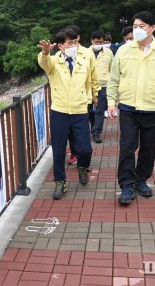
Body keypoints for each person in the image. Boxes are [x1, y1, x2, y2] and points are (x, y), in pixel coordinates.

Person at [107, 11, 155, 205]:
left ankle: (141, 180)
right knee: (127, 147)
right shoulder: (124, 50)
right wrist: (111, 101)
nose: (137, 30)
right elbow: (114, 78)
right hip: (128, 108)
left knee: (148, 148)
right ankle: (126, 185)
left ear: (152, 28)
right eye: (135, 26)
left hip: (152, 108)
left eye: (141, 26)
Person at [38, 29, 96, 199]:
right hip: (60, 111)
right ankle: (60, 182)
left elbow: (87, 84)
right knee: (58, 149)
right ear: (61, 46)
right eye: (69, 43)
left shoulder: (83, 63)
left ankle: (82, 167)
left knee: (85, 149)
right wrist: (45, 52)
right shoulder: (53, 62)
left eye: (75, 43)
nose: (74, 46)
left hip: (79, 111)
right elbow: (44, 62)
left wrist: (88, 98)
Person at [64, 25, 101, 165]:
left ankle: (84, 158)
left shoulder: (87, 53)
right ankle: (74, 153)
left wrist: (94, 93)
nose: (72, 42)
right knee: (70, 130)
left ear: (78, 37)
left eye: (74, 39)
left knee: (82, 128)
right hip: (68, 100)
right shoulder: (61, 53)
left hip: (85, 97)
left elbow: (93, 74)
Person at [88, 30, 113, 143]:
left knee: (100, 110)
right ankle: (93, 126)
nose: (99, 44)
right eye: (97, 42)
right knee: (89, 110)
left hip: (103, 86)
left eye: (101, 42)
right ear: (92, 41)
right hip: (88, 86)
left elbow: (112, 69)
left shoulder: (108, 52)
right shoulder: (85, 53)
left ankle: (96, 132)